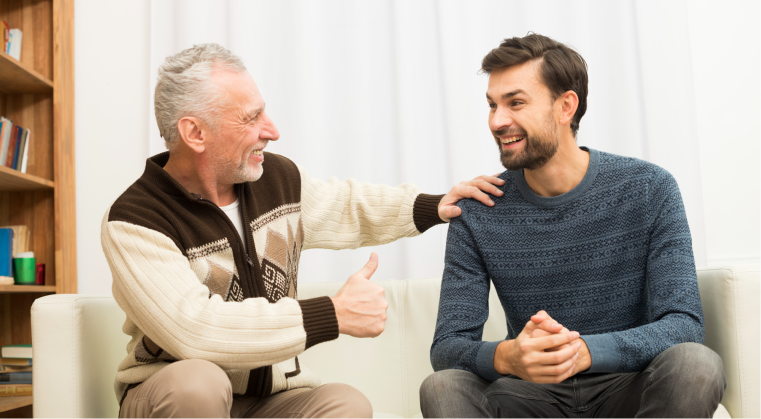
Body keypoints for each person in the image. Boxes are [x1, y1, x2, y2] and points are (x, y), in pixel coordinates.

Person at [101, 43, 504, 419]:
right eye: (250, 118)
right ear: (195, 133)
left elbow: (347, 206)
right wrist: (332, 313)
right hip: (172, 396)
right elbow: (195, 328)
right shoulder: (136, 220)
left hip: (270, 399)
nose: (271, 130)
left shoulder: (274, 179)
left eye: (264, 112)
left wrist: (432, 205)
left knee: (347, 405)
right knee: (198, 384)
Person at [420, 33, 726, 418]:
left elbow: (683, 325)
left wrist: (585, 352)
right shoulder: (478, 210)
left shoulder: (649, 188)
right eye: (492, 105)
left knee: (696, 365)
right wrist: (507, 355)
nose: (497, 121)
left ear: (566, 106)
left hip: (627, 385)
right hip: (529, 397)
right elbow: (447, 347)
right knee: (443, 387)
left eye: (515, 102)